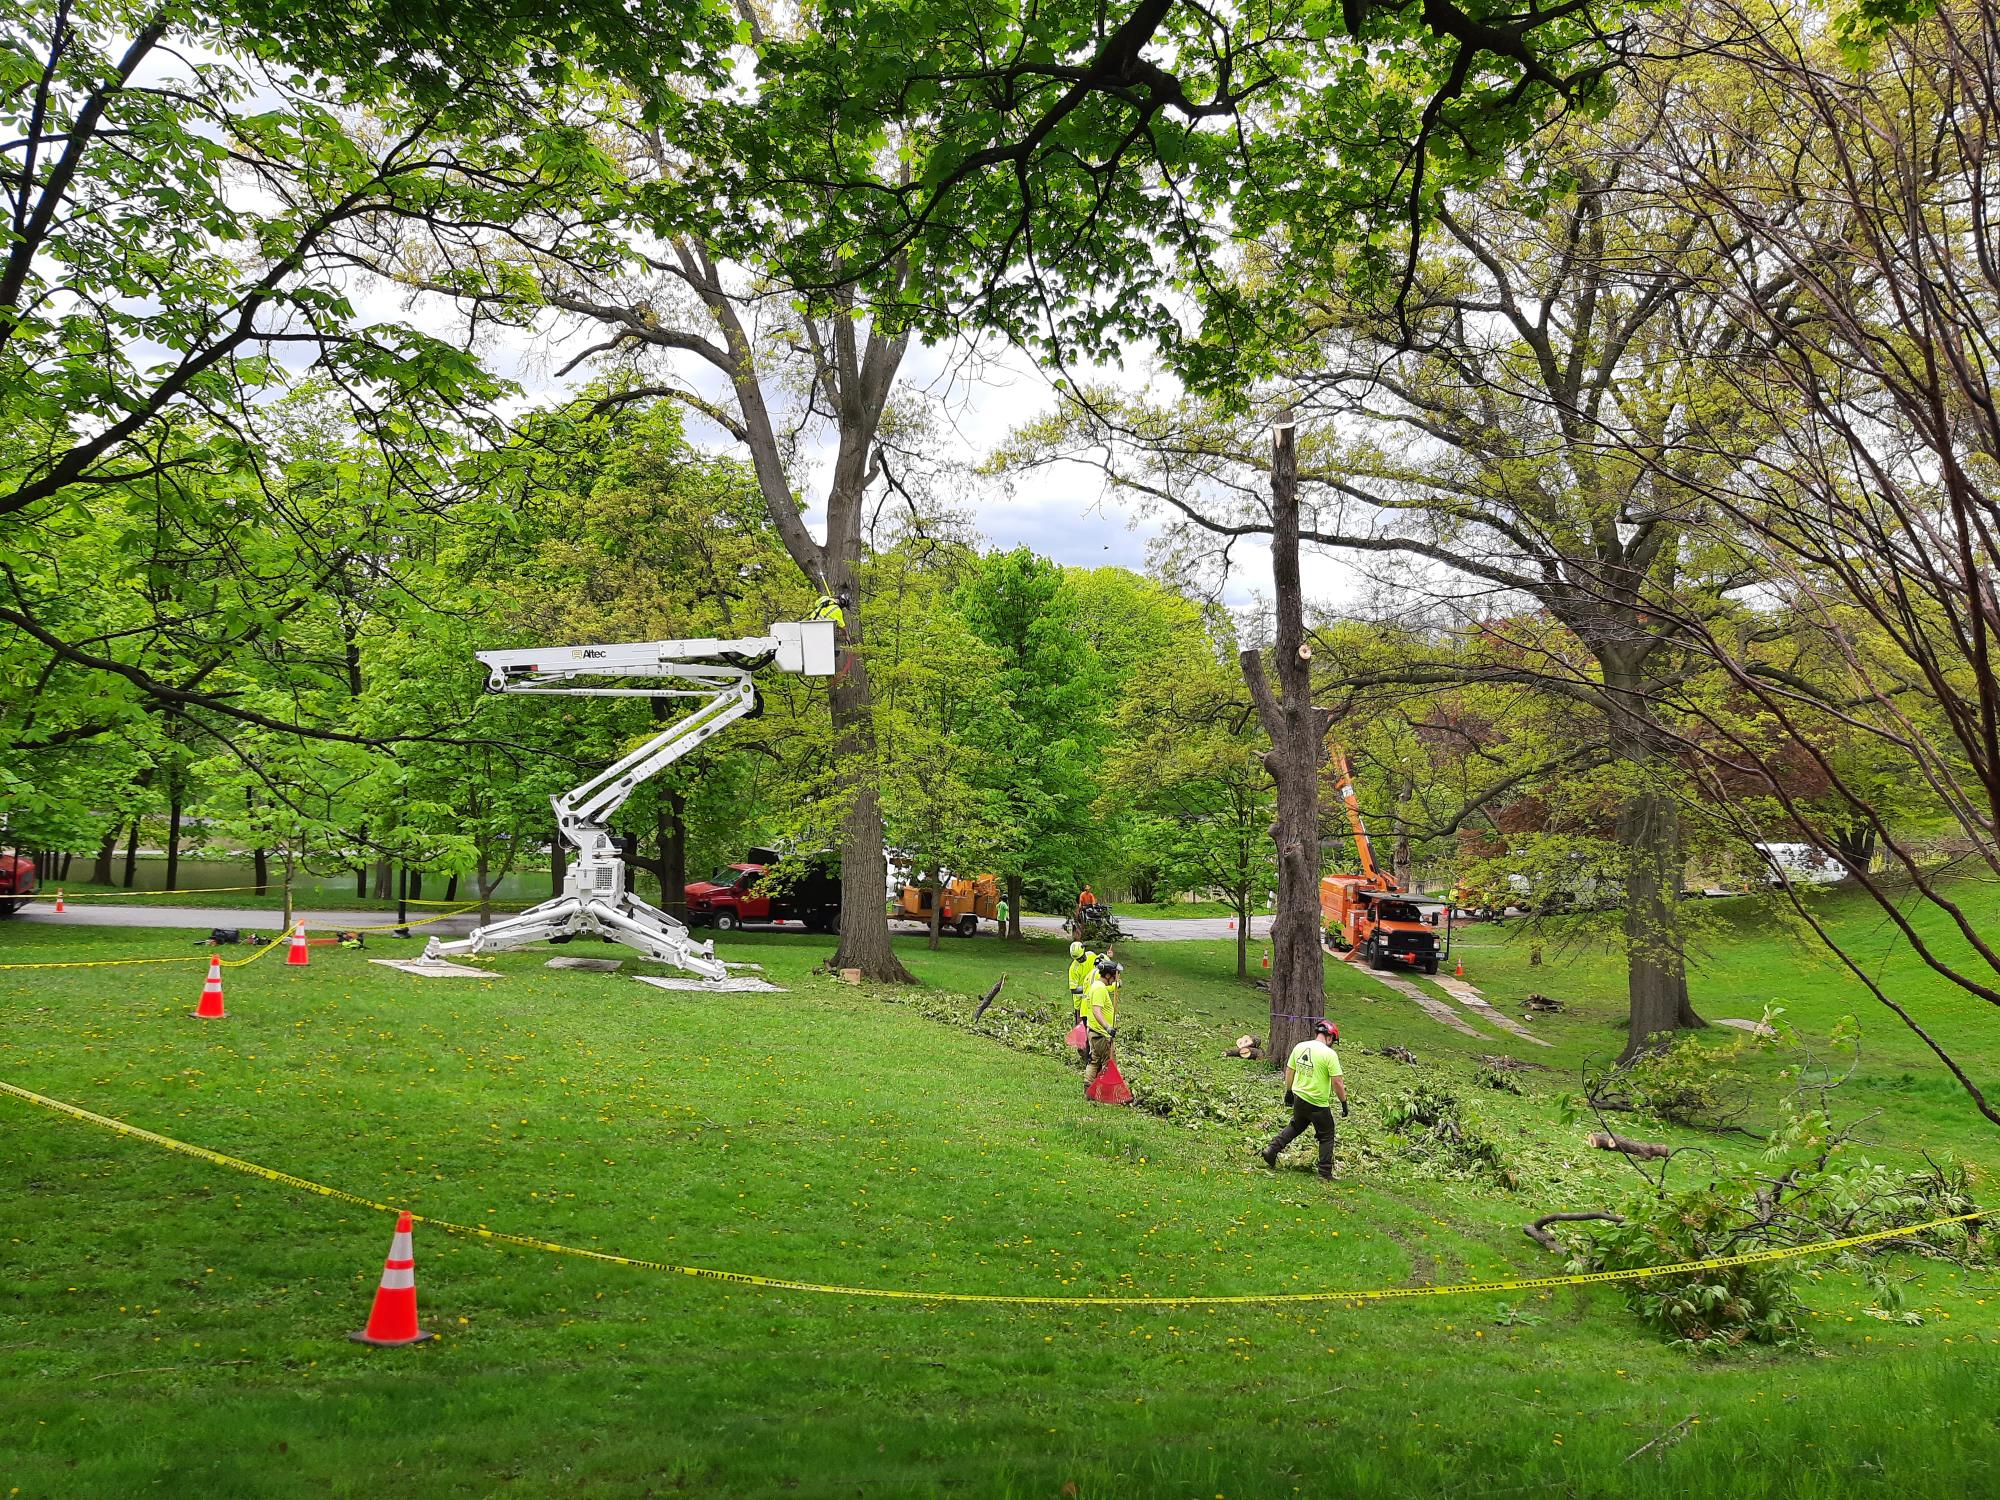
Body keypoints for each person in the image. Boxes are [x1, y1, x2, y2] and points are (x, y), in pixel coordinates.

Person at [1260, 1021, 1348, 1180]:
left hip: (1299, 1097)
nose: (1333, 1044)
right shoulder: (1329, 1054)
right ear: (1330, 1037)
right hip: (1317, 1103)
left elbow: (1289, 1070)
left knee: (1296, 1125)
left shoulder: (1300, 1047)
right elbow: (1337, 1082)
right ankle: (1325, 1172)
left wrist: (1288, 1091)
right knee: (1327, 1134)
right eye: (1333, 1041)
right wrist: (1344, 1102)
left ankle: (1271, 1150)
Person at [1083, 956, 1120, 1091]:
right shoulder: (1099, 989)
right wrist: (1108, 1028)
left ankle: (1088, 1088)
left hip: (1094, 1032)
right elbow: (1096, 1011)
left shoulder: (1098, 986)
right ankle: (1108, 1092)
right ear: (1108, 975)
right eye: (1115, 976)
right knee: (1109, 1064)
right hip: (1101, 1034)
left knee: (1094, 1061)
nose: (1116, 978)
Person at [1065, 940, 1097, 1060]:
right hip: (1080, 1003)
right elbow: (1073, 989)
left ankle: (1094, 1053)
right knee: (1081, 1029)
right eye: (1078, 959)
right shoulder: (1073, 968)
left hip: (1093, 1000)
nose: (1081, 960)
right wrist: (1087, 988)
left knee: (1093, 1027)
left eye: (1082, 957)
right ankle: (1083, 1054)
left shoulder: (1091, 956)